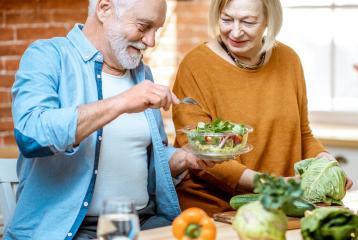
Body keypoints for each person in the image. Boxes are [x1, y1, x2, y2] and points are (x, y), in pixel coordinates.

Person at [5, 0, 216, 239]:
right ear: (104, 9)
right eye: (143, 26)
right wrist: (121, 102)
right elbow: (31, 135)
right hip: (71, 230)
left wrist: (184, 158)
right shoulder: (48, 56)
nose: (151, 41)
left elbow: (137, 164)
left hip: (143, 222)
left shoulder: (141, 74)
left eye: (156, 30)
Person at [172, 0, 353, 216]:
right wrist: (269, 184)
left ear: (269, 19)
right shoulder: (196, 65)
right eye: (227, 19)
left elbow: (302, 134)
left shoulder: (288, 60)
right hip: (216, 210)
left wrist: (326, 163)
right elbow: (197, 150)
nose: (236, 32)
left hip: (279, 205)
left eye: (248, 22)